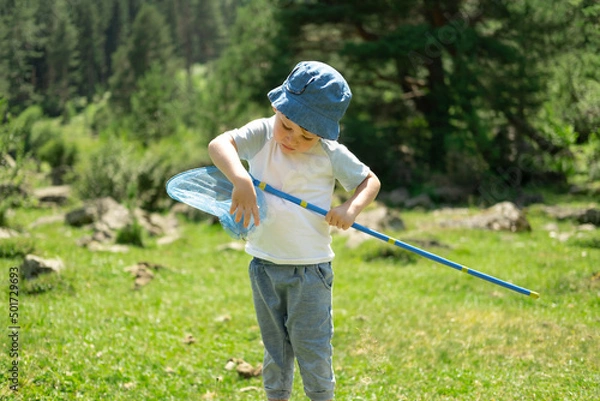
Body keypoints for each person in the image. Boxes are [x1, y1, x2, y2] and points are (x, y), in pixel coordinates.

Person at [208, 60, 381, 401]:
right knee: (275, 348)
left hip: (310, 270)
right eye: (287, 126)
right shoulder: (262, 134)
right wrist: (241, 178)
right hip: (263, 264)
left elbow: (369, 181)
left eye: (307, 135)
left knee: (312, 347)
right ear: (277, 108)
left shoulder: (330, 153)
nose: (293, 139)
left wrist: (350, 208)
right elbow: (219, 144)